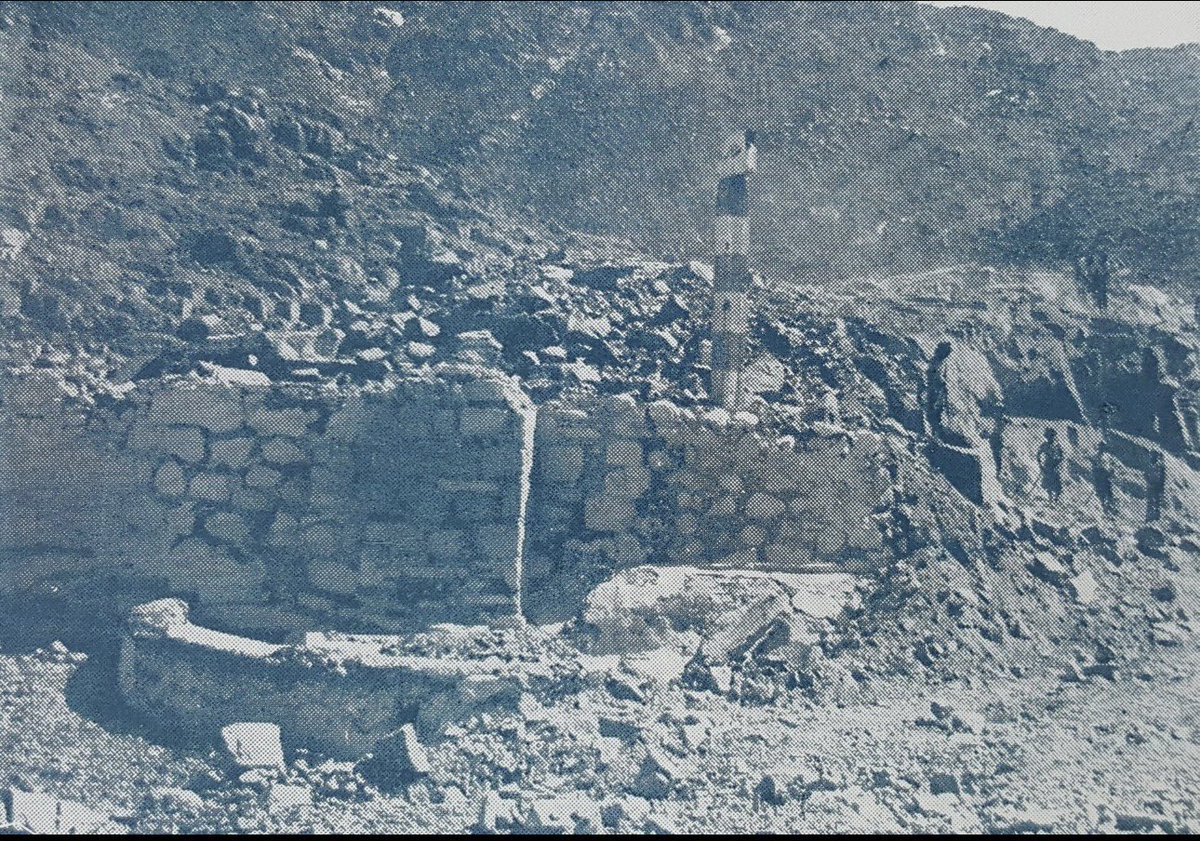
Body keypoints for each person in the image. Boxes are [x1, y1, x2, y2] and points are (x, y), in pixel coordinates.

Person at [1037, 427, 1065, 502]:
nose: (1051, 438)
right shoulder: (1044, 445)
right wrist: (1040, 465)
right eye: (1049, 436)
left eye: (1052, 436)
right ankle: (1050, 498)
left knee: (1057, 483)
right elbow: (1038, 454)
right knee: (1048, 483)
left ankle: (1056, 498)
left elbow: (1061, 456)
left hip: (1055, 466)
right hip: (1047, 466)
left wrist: (1059, 464)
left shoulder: (1057, 446)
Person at [1093, 440, 1118, 515]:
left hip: (1105, 477)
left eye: (1103, 448)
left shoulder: (1107, 456)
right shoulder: (1096, 457)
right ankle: (1104, 508)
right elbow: (1095, 469)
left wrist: (1110, 473)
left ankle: (1109, 507)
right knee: (1102, 493)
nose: (1102, 449)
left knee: (1108, 492)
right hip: (1100, 477)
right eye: (1101, 448)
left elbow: (1111, 467)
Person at [1145, 449, 1167, 522]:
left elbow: (1162, 477)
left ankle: (1156, 518)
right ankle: (1150, 518)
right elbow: (1146, 475)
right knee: (1151, 502)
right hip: (1152, 486)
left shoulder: (1159, 467)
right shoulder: (1150, 466)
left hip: (1156, 487)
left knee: (1156, 502)